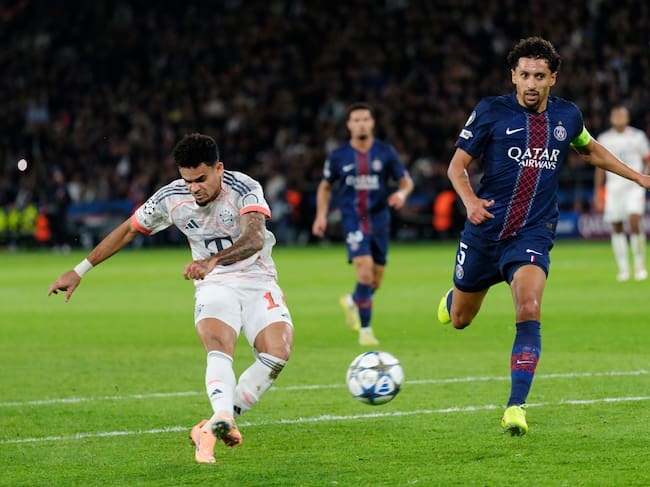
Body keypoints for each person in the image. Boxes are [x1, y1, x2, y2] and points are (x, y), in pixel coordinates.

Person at [436, 37, 650, 436]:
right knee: (461, 320)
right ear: (513, 77)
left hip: (532, 233)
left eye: (539, 76)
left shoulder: (567, 116)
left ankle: (515, 406)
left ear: (553, 77)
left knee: (529, 307)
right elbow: (456, 166)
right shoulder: (491, 111)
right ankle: (456, 296)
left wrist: (639, 177)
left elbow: (590, 150)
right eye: (524, 75)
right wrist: (470, 201)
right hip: (485, 231)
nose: (531, 83)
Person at [48, 133, 294, 464]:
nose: (194, 188)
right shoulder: (170, 197)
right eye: (188, 180)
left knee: (277, 353)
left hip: (256, 279)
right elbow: (129, 229)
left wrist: (213, 260)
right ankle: (223, 416)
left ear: (219, 169)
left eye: (201, 179)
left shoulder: (244, 188)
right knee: (218, 344)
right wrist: (80, 270)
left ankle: (209, 427)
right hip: (213, 283)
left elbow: (254, 238)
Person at [312, 102, 413, 346]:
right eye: (356, 120)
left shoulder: (385, 152)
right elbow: (325, 187)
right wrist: (321, 216)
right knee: (365, 271)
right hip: (353, 219)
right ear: (349, 125)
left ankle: (352, 300)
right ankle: (366, 331)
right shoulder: (338, 156)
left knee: (374, 281)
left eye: (365, 119)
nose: (361, 124)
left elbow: (405, 181)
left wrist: (401, 194)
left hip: (379, 220)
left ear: (372, 123)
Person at [593, 105, 650, 281]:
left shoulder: (638, 136)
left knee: (634, 220)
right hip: (613, 187)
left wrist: (644, 176)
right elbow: (600, 167)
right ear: (611, 118)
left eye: (621, 115)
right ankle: (624, 269)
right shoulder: (604, 138)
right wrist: (597, 191)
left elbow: (647, 158)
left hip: (633, 187)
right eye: (615, 115)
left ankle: (640, 266)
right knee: (616, 225)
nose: (618, 118)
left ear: (627, 118)